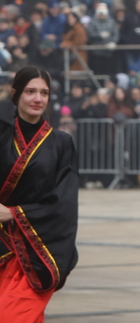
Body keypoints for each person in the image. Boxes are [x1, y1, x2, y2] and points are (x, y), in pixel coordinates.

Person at [0, 66, 79, 322]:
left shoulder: (61, 143)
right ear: (15, 94)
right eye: (30, 91)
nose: (38, 98)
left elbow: (64, 201)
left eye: (44, 93)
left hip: (36, 248)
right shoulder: (1, 135)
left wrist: (14, 213)